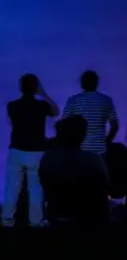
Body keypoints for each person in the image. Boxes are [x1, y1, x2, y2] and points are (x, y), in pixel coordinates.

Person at [3, 73, 59, 227]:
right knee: (35, 190)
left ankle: (7, 221)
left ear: (21, 88)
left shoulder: (12, 105)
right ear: (35, 88)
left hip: (17, 151)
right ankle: (36, 222)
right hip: (36, 152)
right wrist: (43, 93)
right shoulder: (42, 106)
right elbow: (56, 111)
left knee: (12, 189)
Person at [39, 115, 109, 226]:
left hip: (56, 216)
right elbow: (104, 189)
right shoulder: (92, 159)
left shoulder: (47, 159)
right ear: (82, 135)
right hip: (88, 220)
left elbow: (45, 188)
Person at [62, 70, 118, 158]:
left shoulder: (73, 101)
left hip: (78, 150)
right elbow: (114, 125)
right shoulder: (106, 100)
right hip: (100, 150)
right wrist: (107, 141)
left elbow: (63, 124)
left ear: (82, 84)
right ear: (97, 83)